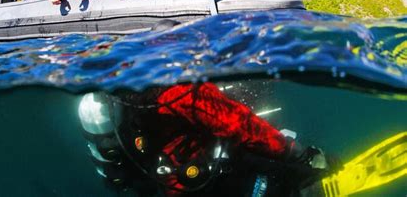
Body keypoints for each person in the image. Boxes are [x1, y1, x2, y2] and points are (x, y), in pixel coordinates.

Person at [78, 82, 332, 196]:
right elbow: (238, 124)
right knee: (285, 183)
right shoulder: (177, 90)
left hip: (170, 182)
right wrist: (297, 153)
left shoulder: (121, 95)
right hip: (202, 180)